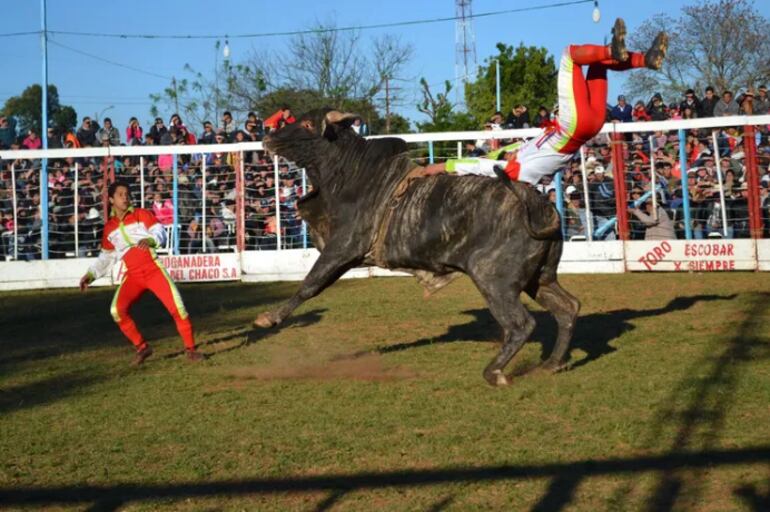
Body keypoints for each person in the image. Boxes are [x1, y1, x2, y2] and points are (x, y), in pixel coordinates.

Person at [423, 19, 668, 188]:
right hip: (574, 126)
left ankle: (646, 59)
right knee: (569, 55)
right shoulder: (519, 172)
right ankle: (611, 49)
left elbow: (495, 155)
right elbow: (479, 165)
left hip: (590, 125)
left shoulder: (523, 158)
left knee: (597, 65)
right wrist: (444, 166)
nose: (507, 154)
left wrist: (501, 153)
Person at [79, 181, 204, 364]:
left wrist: (151, 241)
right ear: (111, 199)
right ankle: (142, 347)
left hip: (154, 270)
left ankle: (191, 350)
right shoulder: (109, 228)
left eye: (127, 193)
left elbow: (159, 231)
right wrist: (90, 275)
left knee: (178, 308)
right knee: (117, 310)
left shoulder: (141, 214)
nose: (125, 197)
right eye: (121, 194)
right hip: (133, 276)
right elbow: (106, 257)